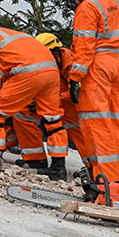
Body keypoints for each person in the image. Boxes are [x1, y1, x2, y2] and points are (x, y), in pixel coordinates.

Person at [58, 0, 119, 189]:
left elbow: (84, 47)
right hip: (113, 64)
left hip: (95, 68)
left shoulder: (87, 7)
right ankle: (117, 179)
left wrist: (75, 78)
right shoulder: (112, 1)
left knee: (96, 126)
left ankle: (104, 182)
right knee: (112, 124)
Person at [0, 25, 62, 173]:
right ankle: (58, 168)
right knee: (53, 120)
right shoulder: (10, 36)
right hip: (51, 71)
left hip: (28, 71)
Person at [36, 33, 86, 181]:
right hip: (64, 109)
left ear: (55, 51)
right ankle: (58, 168)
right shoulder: (56, 62)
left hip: (77, 109)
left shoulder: (70, 62)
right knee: (57, 133)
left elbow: (75, 91)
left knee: (85, 143)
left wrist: (54, 98)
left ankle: (95, 171)